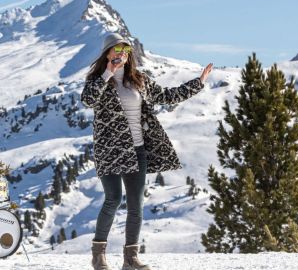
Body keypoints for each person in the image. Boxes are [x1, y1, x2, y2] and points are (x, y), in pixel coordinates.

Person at [81, 34, 212, 270]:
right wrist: (108, 73)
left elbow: (166, 96)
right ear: (108, 52)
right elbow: (88, 100)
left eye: (126, 49)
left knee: (135, 204)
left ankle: (130, 259)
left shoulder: (138, 79)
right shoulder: (97, 79)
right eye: (117, 48)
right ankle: (98, 255)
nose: (122, 52)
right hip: (109, 150)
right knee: (112, 199)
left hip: (137, 150)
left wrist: (198, 82)